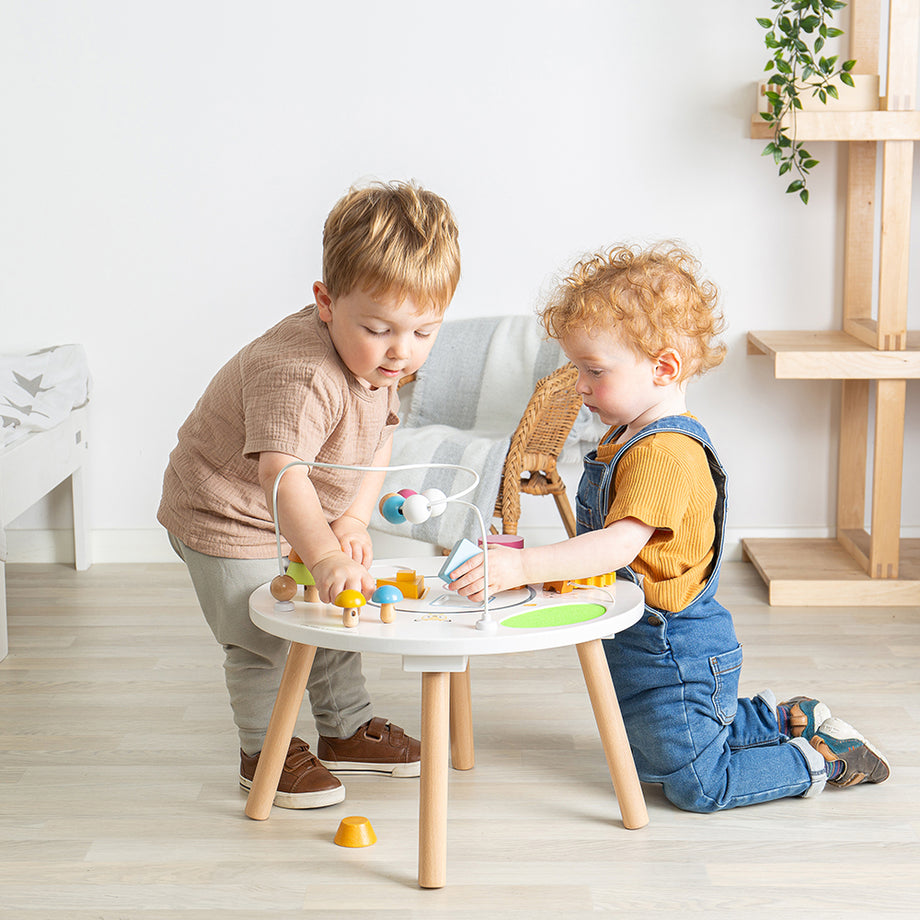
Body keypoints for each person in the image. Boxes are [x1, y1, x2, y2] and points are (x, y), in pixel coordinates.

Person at [449, 243, 889, 812]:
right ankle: (784, 717)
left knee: (698, 785)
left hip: (675, 646)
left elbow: (619, 544)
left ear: (663, 368)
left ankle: (825, 758)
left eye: (594, 371)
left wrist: (525, 565)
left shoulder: (666, 453)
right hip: (647, 642)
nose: (579, 385)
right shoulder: (626, 436)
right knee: (655, 754)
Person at [158, 180, 461, 808]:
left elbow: (381, 437)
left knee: (330, 611)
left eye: (425, 332)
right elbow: (281, 475)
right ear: (325, 302)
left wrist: (350, 518)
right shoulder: (300, 375)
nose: (403, 352)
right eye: (380, 329)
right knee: (262, 632)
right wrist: (321, 555)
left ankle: (346, 730)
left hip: (302, 511)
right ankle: (263, 750)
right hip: (226, 512)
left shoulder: (382, 360)